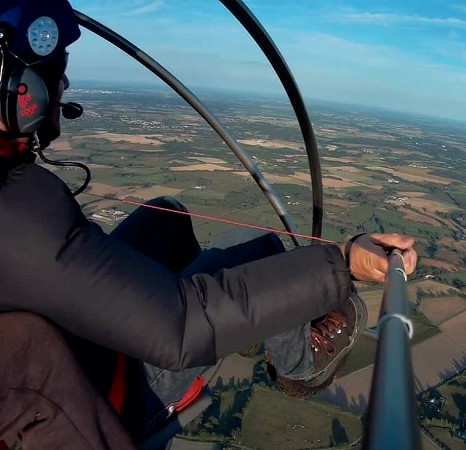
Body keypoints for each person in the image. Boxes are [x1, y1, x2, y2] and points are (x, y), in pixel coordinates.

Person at [0, 1, 418, 449]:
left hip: (47, 364)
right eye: (50, 70)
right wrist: (342, 265)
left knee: (168, 219)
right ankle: (302, 363)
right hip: (90, 404)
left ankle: (252, 326)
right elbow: (181, 326)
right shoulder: (14, 214)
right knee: (257, 249)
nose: (62, 84)